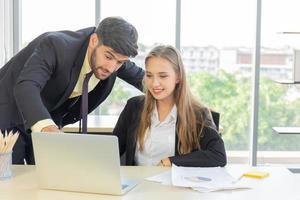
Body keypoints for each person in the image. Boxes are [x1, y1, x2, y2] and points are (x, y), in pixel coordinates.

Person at [0, 17, 144, 164]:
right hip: (9, 114)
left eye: (120, 62)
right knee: (12, 181)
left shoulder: (114, 59)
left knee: (50, 178)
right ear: (94, 40)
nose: (111, 68)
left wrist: (167, 95)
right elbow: (27, 86)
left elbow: (148, 80)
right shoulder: (56, 45)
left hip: (48, 119)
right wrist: (48, 128)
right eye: (108, 57)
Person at [113, 45, 226, 167]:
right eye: (149, 75)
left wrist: (171, 161)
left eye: (163, 76)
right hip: (137, 183)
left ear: (178, 77)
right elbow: (112, 150)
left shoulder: (197, 113)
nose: (155, 83)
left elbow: (218, 156)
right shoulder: (134, 106)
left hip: (173, 184)